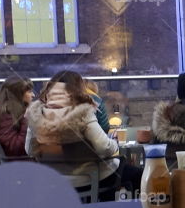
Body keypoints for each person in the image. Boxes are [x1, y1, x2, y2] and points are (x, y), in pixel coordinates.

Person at [25, 70, 138, 198]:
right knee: (137, 174)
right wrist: (115, 144)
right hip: (89, 179)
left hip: (54, 179)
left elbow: (29, 150)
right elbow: (104, 147)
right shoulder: (83, 112)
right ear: (78, 89)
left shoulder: (36, 114)